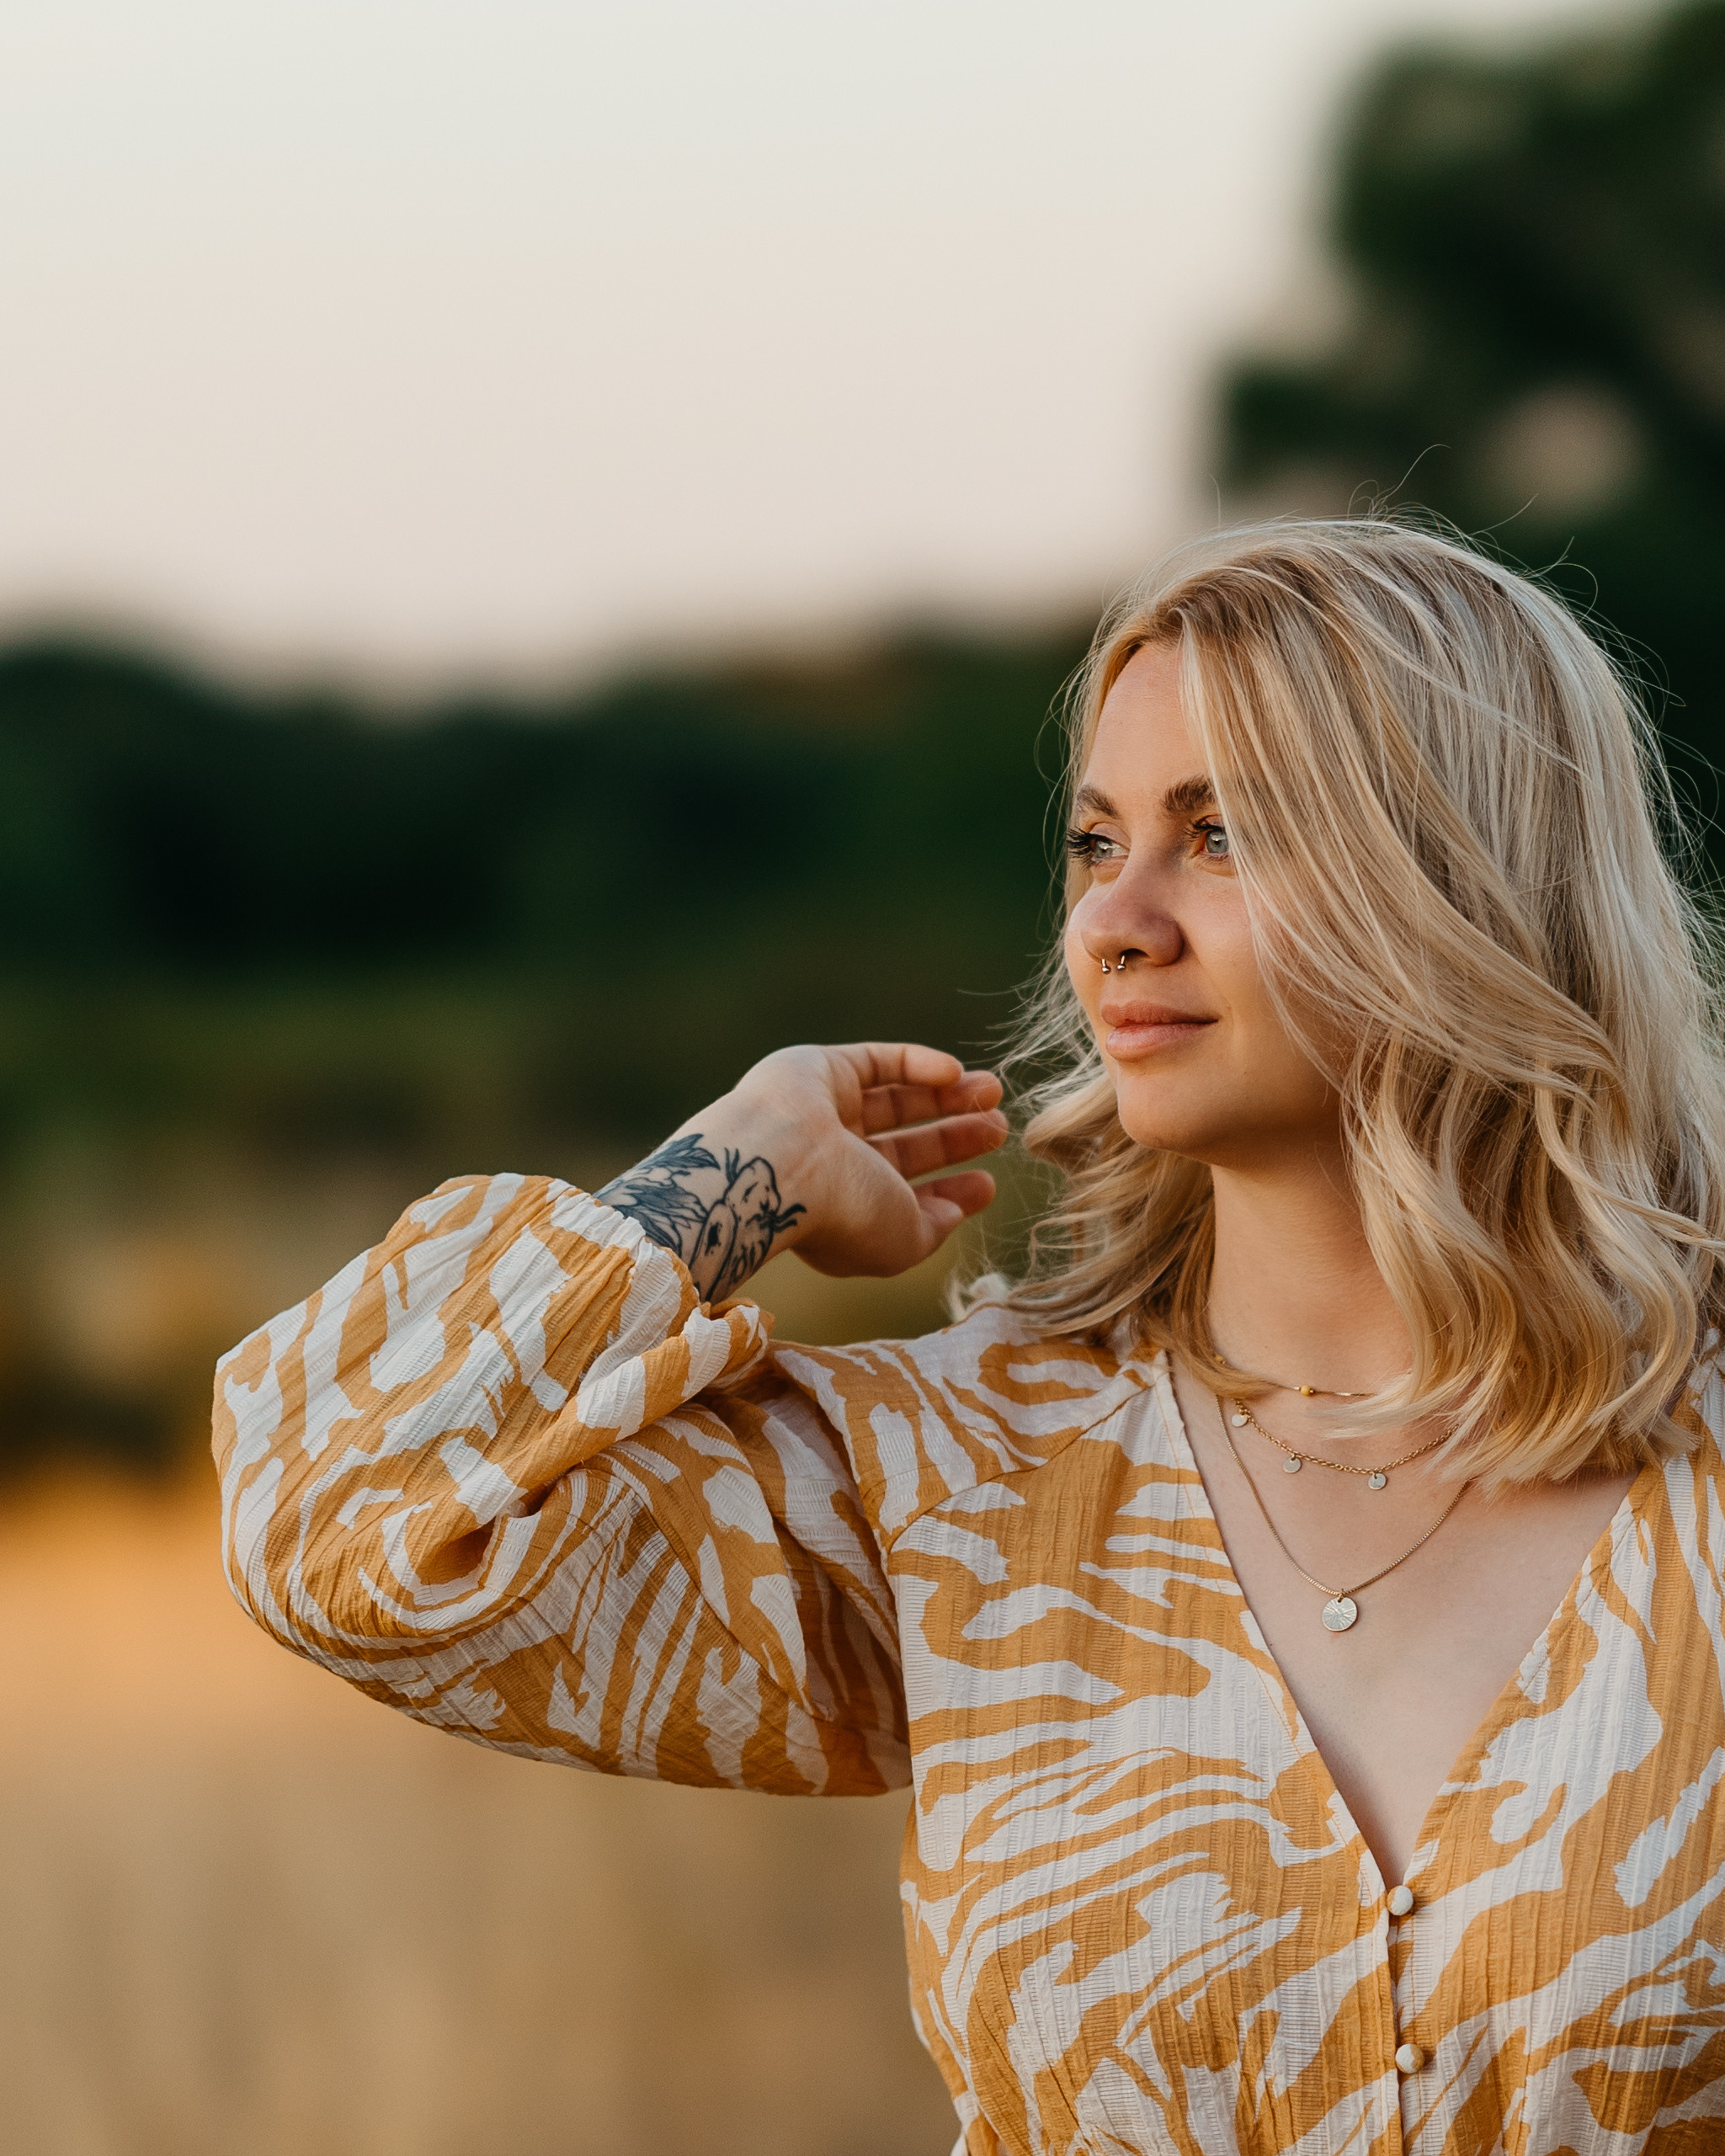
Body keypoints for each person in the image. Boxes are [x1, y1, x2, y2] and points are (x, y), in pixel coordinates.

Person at [213, 519, 1725, 2153]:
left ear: (1456, 871)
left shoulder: (1693, 1486)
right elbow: (329, 1516)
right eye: (1094, 844)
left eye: (1219, 834)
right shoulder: (959, 1484)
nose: (1113, 925)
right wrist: (729, 1178)